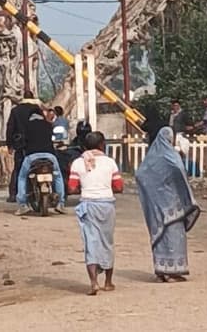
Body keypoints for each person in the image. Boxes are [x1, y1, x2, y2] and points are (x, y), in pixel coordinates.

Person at [135, 126, 200, 282]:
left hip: (156, 205)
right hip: (172, 204)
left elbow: (140, 175)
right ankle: (172, 273)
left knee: (160, 237)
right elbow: (180, 170)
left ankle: (160, 272)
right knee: (174, 237)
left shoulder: (151, 158)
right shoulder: (171, 156)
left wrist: (153, 193)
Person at [67, 131, 124, 296]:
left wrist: (85, 188)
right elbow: (119, 187)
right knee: (107, 241)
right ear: (102, 145)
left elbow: (71, 188)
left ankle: (94, 282)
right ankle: (108, 282)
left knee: (90, 243)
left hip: (88, 205)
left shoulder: (78, 163)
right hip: (106, 204)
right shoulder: (110, 163)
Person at [15, 110, 66, 215]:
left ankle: (22, 204)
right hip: (50, 156)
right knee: (58, 176)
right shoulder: (48, 125)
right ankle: (61, 203)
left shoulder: (26, 126)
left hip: (32, 157)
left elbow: (22, 140)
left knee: (22, 177)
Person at [5, 91, 42, 202]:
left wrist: (9, 145)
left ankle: (14, 193)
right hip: (36, 143)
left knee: (18, 168)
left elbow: (10, 127)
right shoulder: (37, 109)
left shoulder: (16, 110)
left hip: (20, 144)